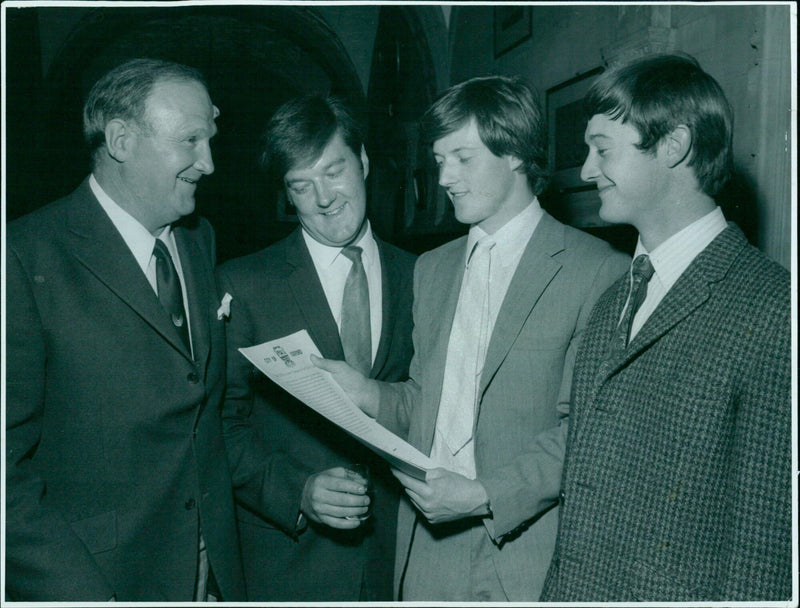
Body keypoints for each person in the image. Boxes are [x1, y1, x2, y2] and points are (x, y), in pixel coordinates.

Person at [314, 75, 630, 601]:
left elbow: (589, 433)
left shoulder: (597, 271)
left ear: (515, 154)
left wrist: (483, 495)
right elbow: (425, 401)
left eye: (462, 157)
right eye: (439, 160)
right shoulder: (432, 269)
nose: (444, 178)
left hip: (526, 550)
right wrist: (367, 393)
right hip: (427, 548)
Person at [540, 53, 792, 602]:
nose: (585, 170)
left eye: (602, 149)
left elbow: (766, 547)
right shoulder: (611, 300)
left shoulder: (775, 308)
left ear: (673, 146)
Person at [5, 58, 245, 601]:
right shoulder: (21, 257)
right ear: (120, 140)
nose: (208, 163)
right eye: (190, 141)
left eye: (209, 139)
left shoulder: (198, 237)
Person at [216, 94, 416, 601]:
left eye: (334, 171)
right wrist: (298, 491)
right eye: (301, 186)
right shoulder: (245, 284)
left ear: (364, 161)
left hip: (402, 563)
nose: (324, 198)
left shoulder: (420, 275)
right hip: (289, 569)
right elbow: (220, 427)